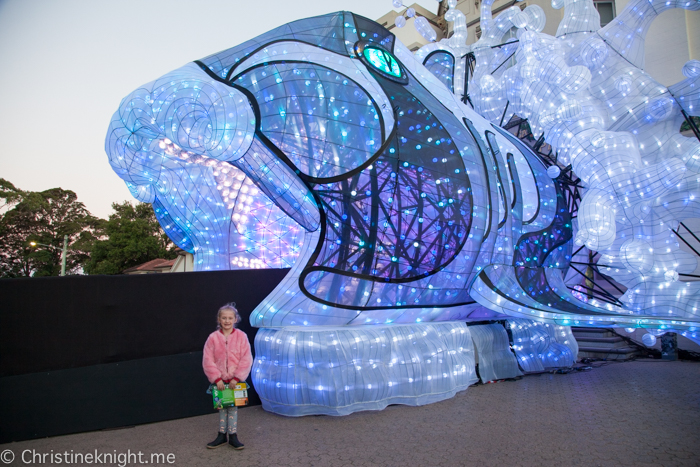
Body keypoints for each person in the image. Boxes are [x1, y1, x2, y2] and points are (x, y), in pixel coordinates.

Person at [202, 303, 253, 449]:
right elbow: (207, 359)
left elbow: (246, 358)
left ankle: (233, 435)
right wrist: (216, 378)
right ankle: (221, 435)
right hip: (220, 382)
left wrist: (237, 377)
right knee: (222, 408)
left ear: (235, 319)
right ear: (219, 319)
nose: (227, 321)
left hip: (234, 382)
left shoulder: (241, 337)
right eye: (224, 318)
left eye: (230, 318)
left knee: (233, 409)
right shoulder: (212, 338)